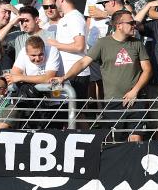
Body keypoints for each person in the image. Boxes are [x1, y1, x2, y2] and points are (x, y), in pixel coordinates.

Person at [59, 10, 152, 142]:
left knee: (135, 140)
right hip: (113, 102)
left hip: (135, 100)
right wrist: (64, 77)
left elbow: (147, 70)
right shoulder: (103, 43)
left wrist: (135, 91)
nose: (134, 25)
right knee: (115, 141)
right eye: (131, 23)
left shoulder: (137, 43)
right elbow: (83, 62)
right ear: (119, 25)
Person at [48, 0, 90, 98]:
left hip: (76, 74)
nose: (54, 2)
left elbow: (80, 46)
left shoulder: (75, 17)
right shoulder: (65, 18)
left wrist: (56, 45)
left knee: (77, 111)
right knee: (60, 107)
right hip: (63, 73)